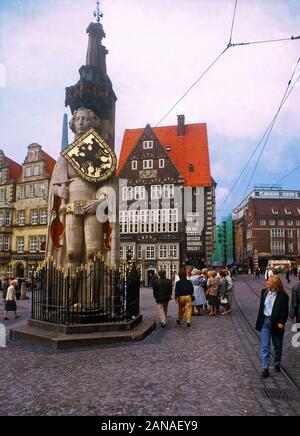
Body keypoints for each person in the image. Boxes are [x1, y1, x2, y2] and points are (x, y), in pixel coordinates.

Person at [47, 107, 117, 272]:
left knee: (93, 252)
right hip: (71, 207)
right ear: (73, 123)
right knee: (72, 253)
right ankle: (70, 295)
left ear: (93, 122)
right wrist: (59, 192)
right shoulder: (66, 155)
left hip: (93, 206)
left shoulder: (101, 152)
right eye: (78, 119)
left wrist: (101, 201)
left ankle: (92, 297)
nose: (81, 123)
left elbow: (111, 184)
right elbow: (55, 185)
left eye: (85, 119)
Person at [255, 275, 289, 379]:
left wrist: (281, 322)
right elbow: (262, 307)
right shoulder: (264, 292)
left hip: (276, 323)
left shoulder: (283, 296)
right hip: (265, 321)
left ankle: (277, 362)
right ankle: (265, 369)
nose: (266, 283)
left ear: (274, 284)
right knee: (265, 346)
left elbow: (284, 312)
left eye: (268, 281)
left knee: (277, 346)